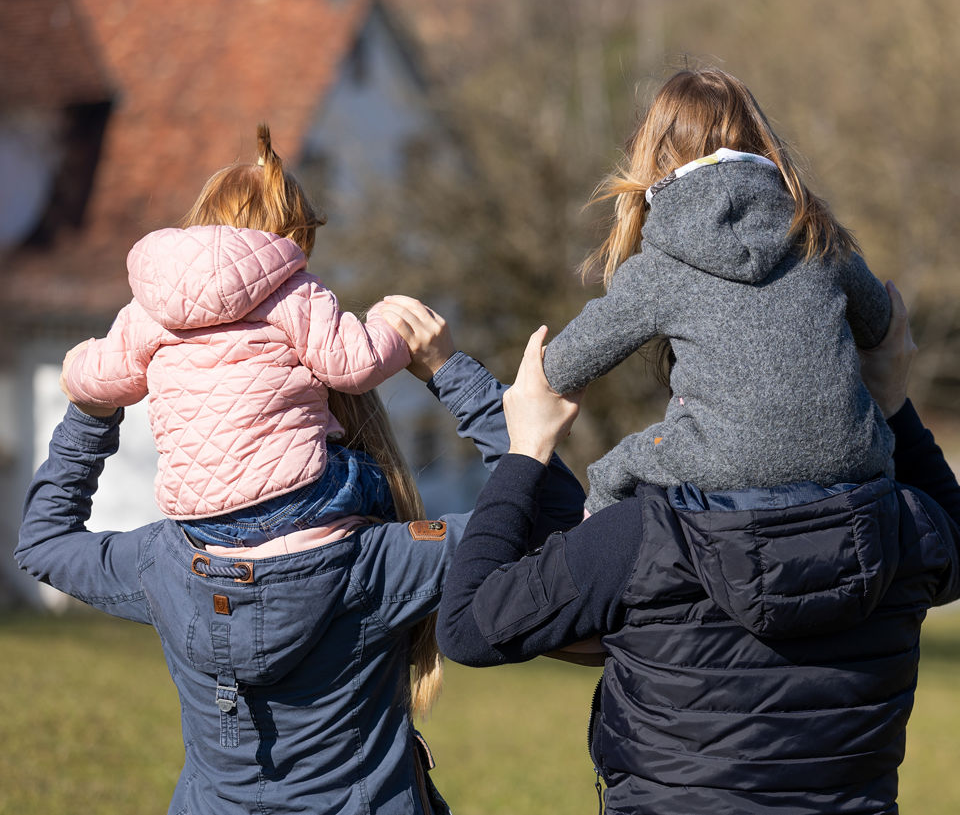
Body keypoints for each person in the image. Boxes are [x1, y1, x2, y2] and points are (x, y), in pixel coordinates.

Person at [17, 296, 585, 814]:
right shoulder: (382, 565)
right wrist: (450, 371)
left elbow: (43, 542)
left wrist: (91, 409)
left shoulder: (161, 565)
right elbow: (553, 517)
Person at [437, 283, 960, 815]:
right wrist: (893, 404)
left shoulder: (638, 537)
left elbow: (468, 628)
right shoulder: (905, 528)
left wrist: (526, 450)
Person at [543, 68, 894, 513]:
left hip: (721, 467)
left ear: (655, 154)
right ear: (762, 140)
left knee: (612, 474)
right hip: (858, 457)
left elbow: (562, 368)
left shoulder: (662, 265)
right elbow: (881, 323)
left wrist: (533, 369)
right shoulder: (815, 234)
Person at [61, 125, 411, 547]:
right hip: (298, 496)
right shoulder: (295, 292)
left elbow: (106, 379)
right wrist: (393, 326)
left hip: (199, 518)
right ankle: (383, 571)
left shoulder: (151, 305)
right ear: (293, 235)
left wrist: (75, 365)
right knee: (376, 479)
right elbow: (355, 365)